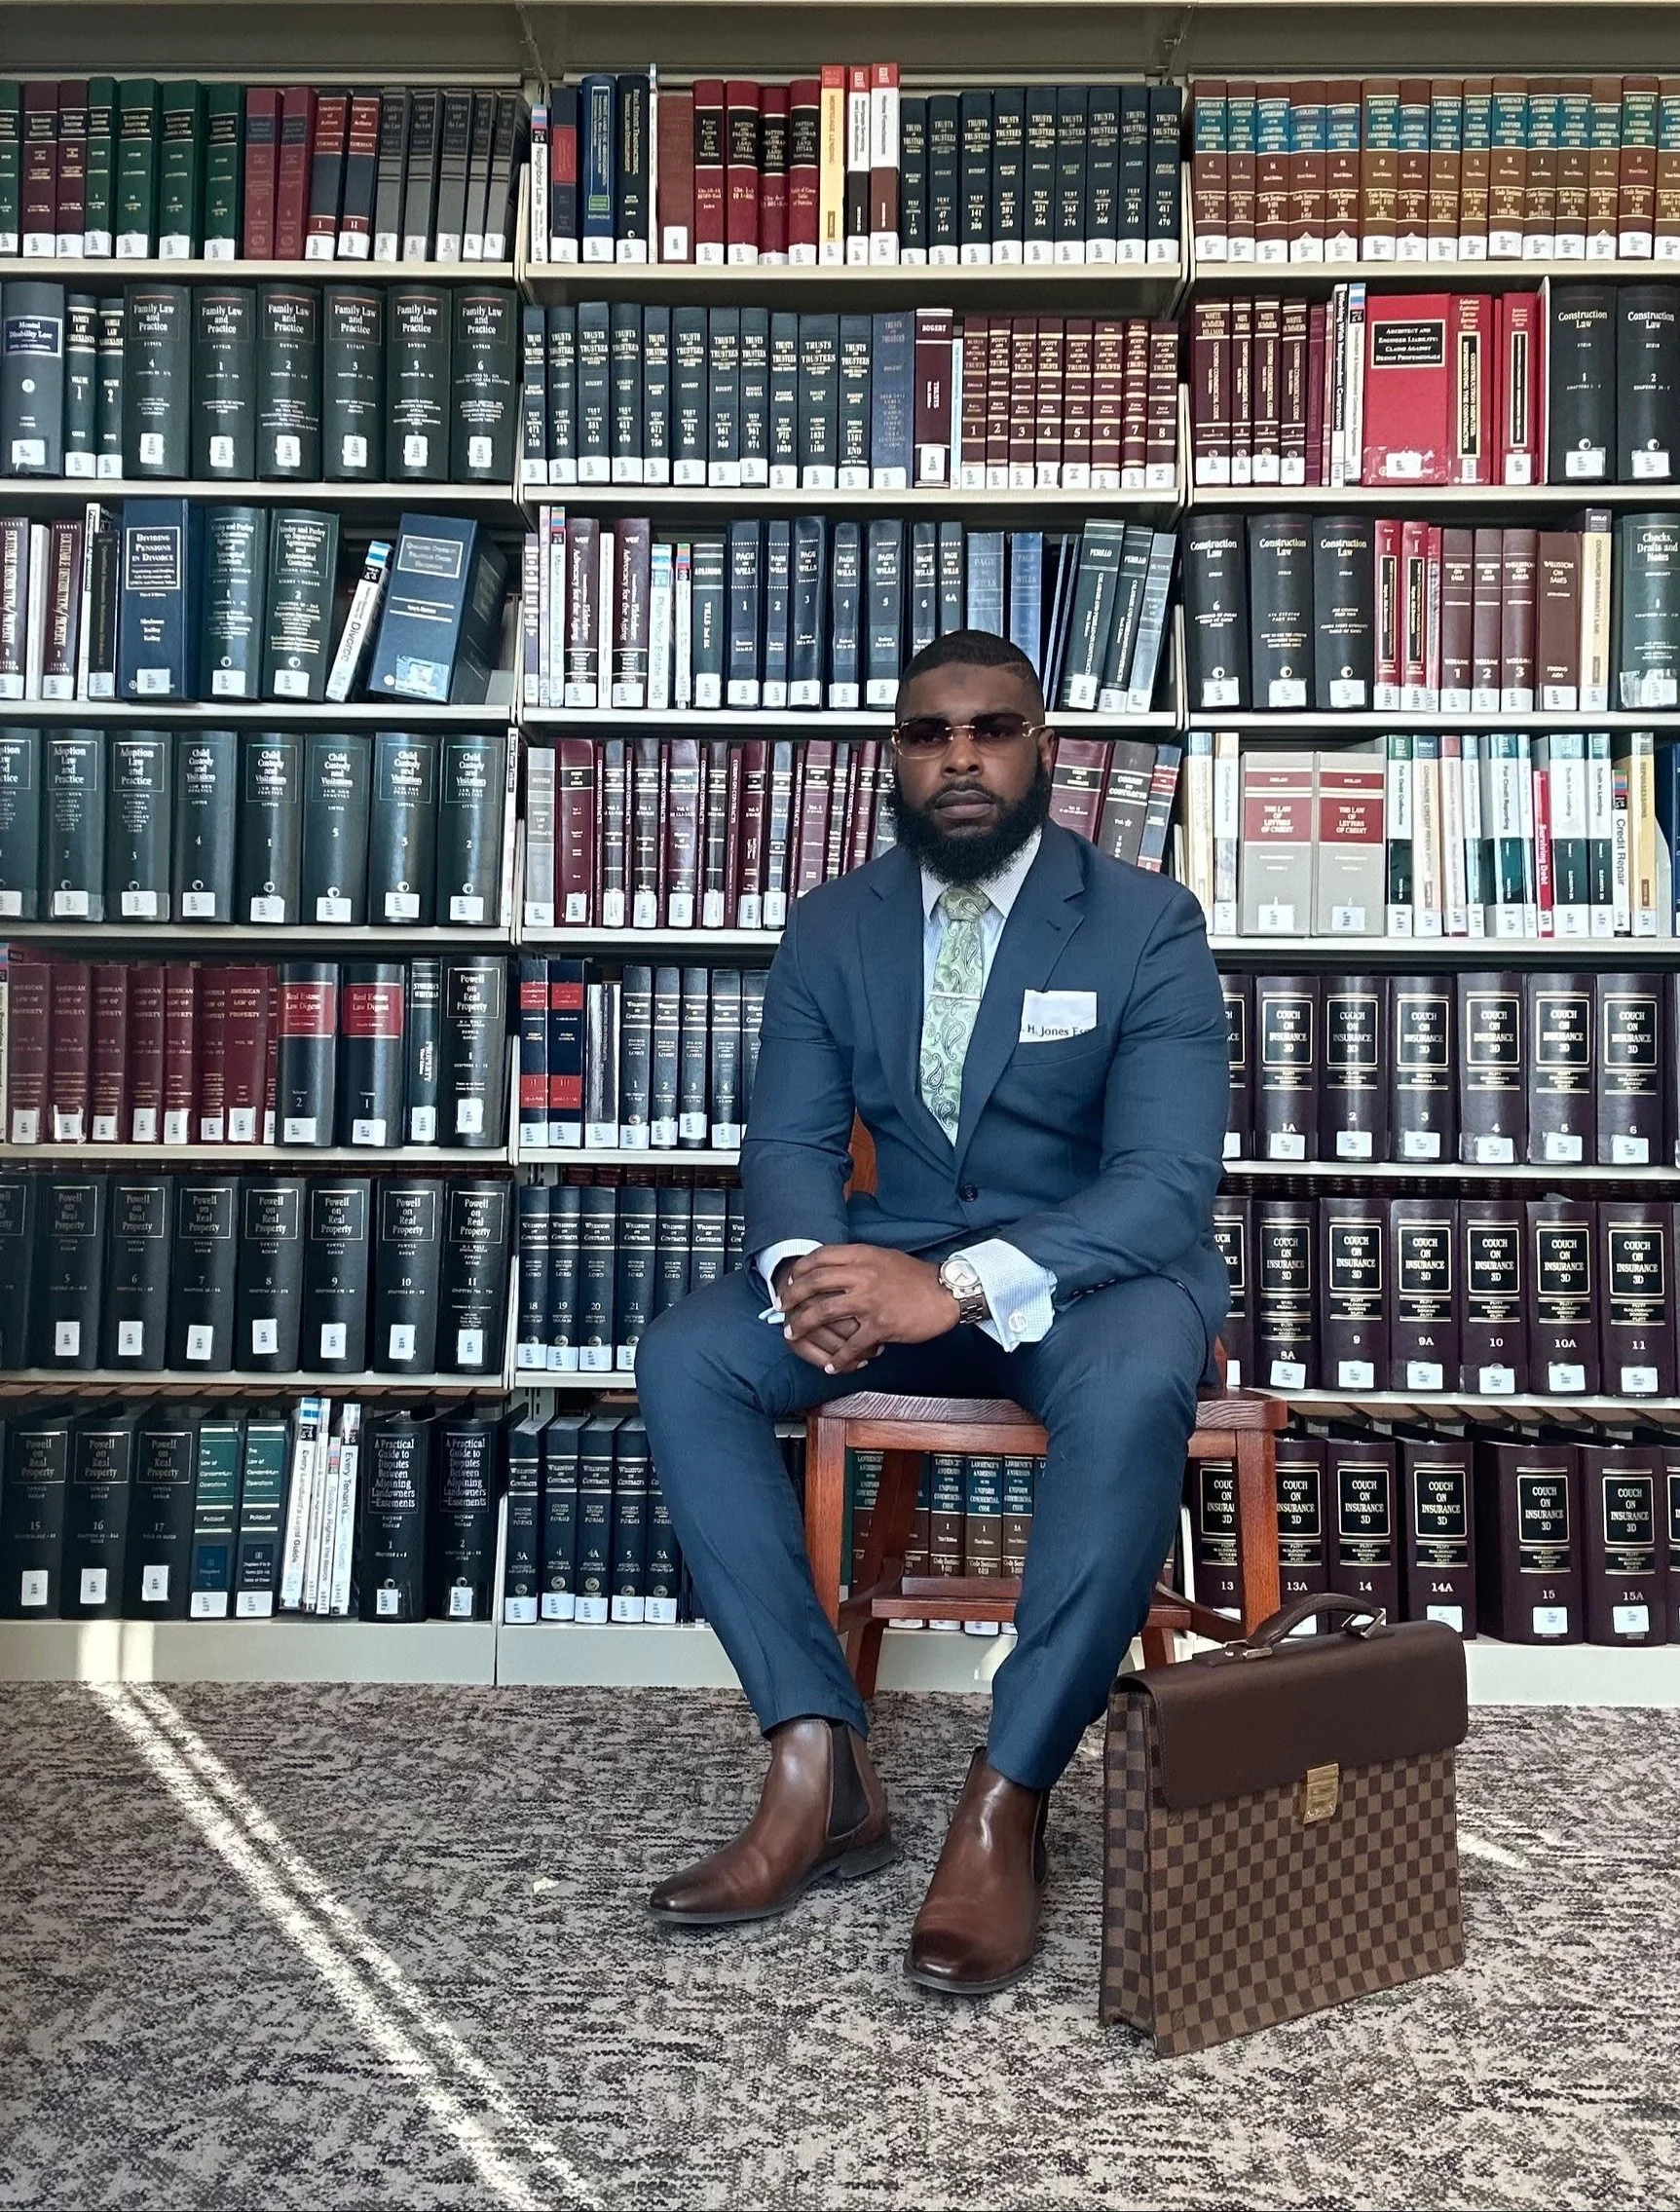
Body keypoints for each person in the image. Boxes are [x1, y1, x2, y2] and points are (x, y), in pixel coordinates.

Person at [636, 627, 1229, 1995]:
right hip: (888, 1265)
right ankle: (815, 1758)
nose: (961, 756)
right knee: (690, 1354)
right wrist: (807, 1272)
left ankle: (1005, 1794)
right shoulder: (834, 923)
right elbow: (786, 1143)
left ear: (1046, 749)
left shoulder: (1146, 921)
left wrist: (950, 1283)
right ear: (893, 757)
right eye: (929, 732)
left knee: (1143, 1373)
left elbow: (1163, 1187)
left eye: (993, 727)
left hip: (1090, 1284)